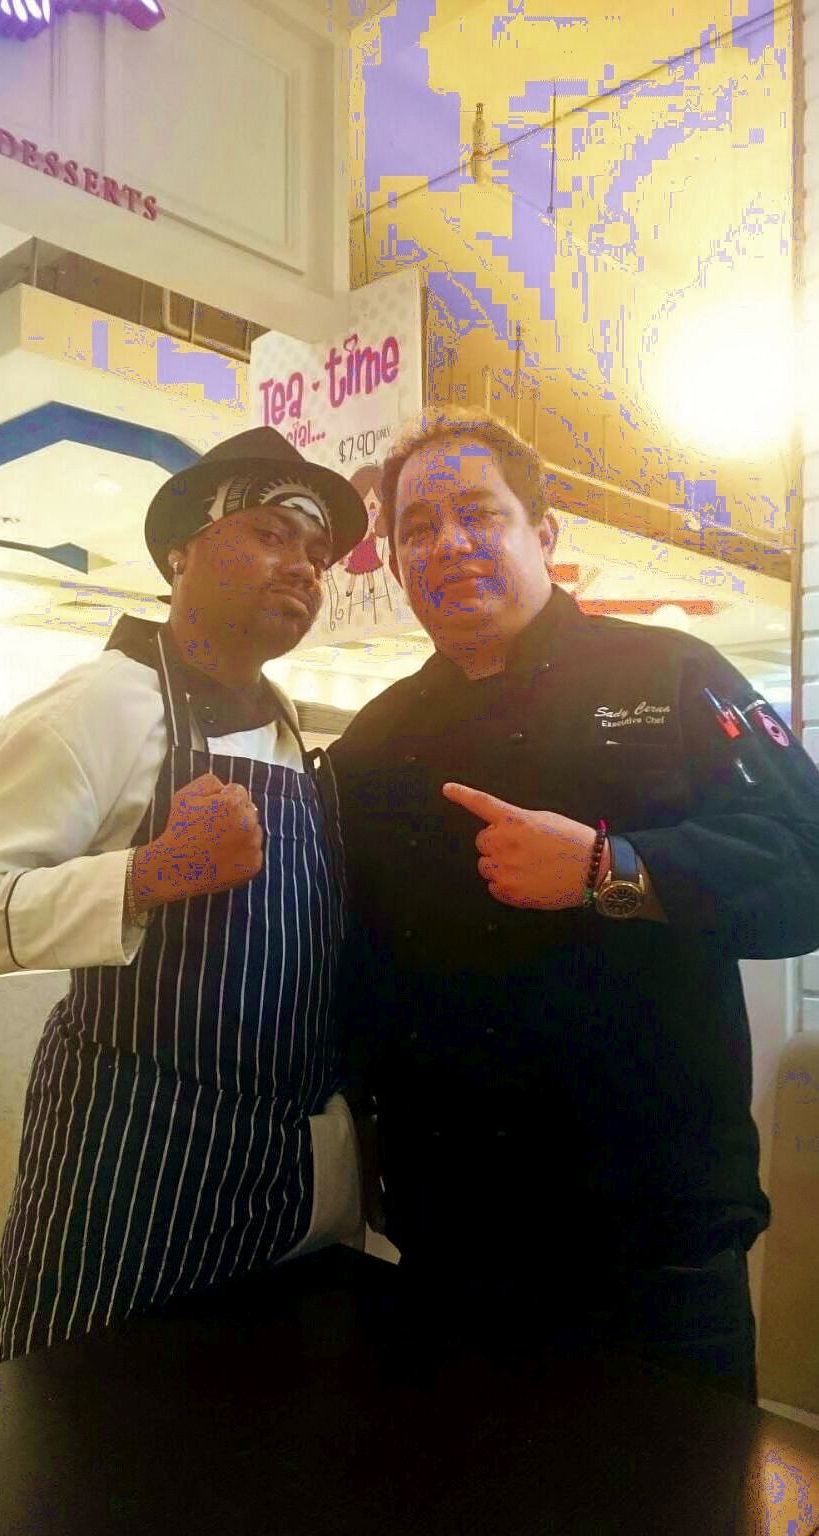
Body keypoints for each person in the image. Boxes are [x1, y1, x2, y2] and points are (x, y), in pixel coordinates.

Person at [328, 406, 819, 1402]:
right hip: (452, 1234)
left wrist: (611, 866)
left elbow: (805, 870)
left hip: (654, 1237)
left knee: (678, 1499)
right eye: (418, 527)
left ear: (543, 533)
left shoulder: (670, 673)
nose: (447, 543)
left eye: (479, 514)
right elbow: (354, 967)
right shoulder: (371, 742)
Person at [0, 426, 370, 1364]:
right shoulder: (99, 704)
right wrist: (144, 874)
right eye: (271, 533)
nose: (303, 565)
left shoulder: (290, 728)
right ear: (179, 553)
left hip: (282, 1189)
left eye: (318, 553)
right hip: (131, 1180)